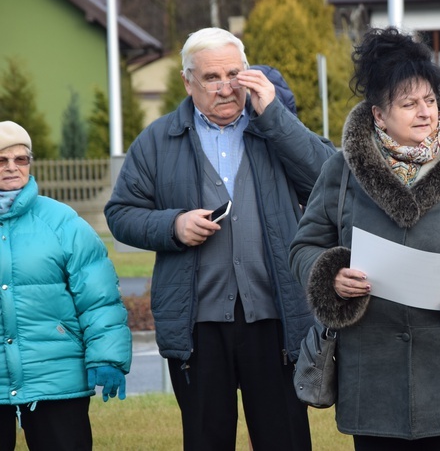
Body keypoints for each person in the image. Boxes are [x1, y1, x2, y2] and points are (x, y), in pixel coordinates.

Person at [289, 27, 440, 451]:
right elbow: (304, 246)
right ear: (378, 116)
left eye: (431, 101)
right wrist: (331, 276)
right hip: (375, 384)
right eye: (408, 104)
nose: (425, 113)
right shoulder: (340, 172)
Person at [104, 27, 336, 451]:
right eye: (212, 78)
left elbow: (330, 184)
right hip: (198, 325)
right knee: (207, 439)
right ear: (187, 81)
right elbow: (120, 214)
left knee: (285, 438)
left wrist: (277, 119)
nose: (226, 87)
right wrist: (172, 226)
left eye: (235, 73)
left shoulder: (275, 129)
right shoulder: (158, 140)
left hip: (275, 318)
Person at [0, 121, 131, 450]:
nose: (12, 168)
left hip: (57, 376)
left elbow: (99, 299)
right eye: (1, 160)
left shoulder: (63, 222)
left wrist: (108, 357)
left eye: (21, 159)